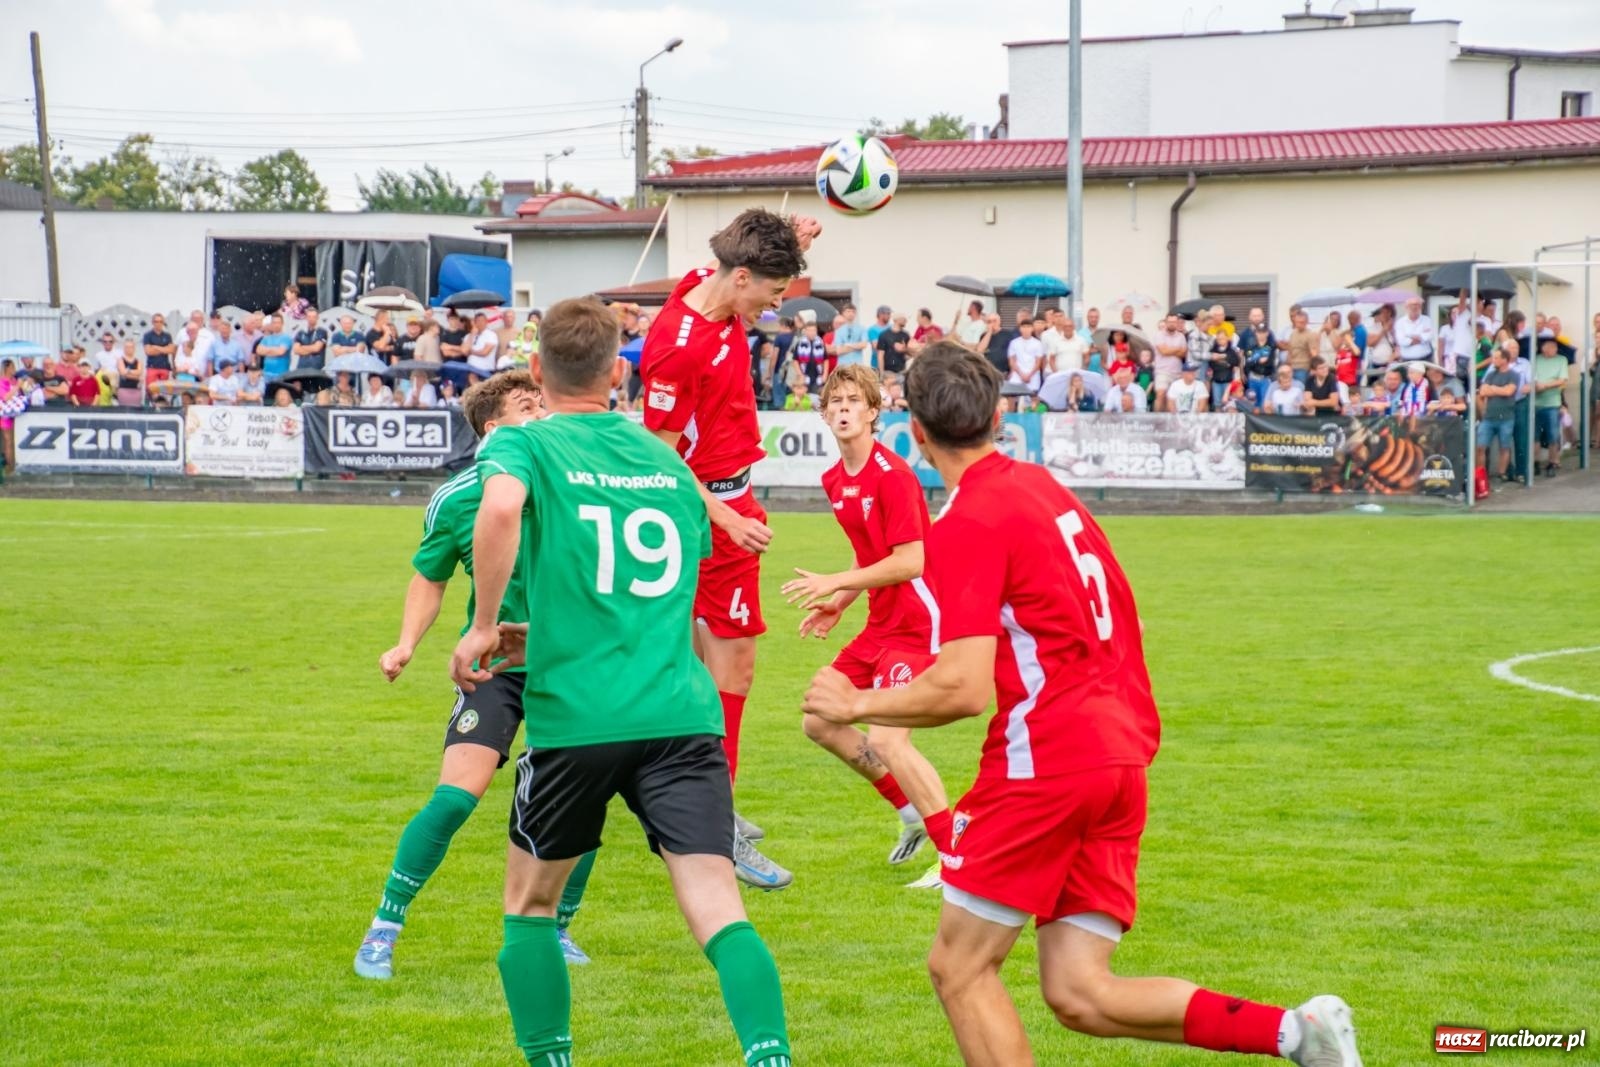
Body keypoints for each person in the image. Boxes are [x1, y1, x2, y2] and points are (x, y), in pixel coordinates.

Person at [803, 342, 1360, 1067]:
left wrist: (856, 701)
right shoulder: (1044, 487)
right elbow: (1125, 613)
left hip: (1049, 762)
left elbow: (964, 685)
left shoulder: (967, 521)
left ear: (913, 433)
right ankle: (1299, 1033)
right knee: (1078, 990)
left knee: (959, 968)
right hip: (1118, 756)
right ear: (1001, 415)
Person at [449, 299, 792, 1067]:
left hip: (579, 716)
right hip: (680, 712)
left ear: (536, 371)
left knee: (529, 906)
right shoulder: (666, 460)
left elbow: (500, 505)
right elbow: (641, 594)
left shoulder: (531, 443)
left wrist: (484, 625)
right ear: (618, 373)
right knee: (718, 907)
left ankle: (553, 1059)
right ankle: (771, 1056)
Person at [354, 371, 599, 980]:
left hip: (572, 667)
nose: (542, 410)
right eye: (526, 405)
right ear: (494, 429)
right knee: (455, 797)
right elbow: (430, 575)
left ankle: (558, 928)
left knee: (584, 802)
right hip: (497, 670)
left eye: (543, 400)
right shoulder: (460, 497)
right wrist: (406, 643)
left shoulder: (576, 477)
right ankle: (384, 928)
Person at [639, 208, 817, 890]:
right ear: (740, 277)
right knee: (732, 667)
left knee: (686, 666)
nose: (777, 304)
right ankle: (717, 827)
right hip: (707, 507)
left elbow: (745, 263)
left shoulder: (707, 287)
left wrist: (792, 243)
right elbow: (659, 449)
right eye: (772, 291)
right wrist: (722, 513)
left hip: (720, 500)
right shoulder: (678, 346)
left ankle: (686, 801)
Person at [784, 365, 953, 882]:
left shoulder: (893, 476)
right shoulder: (834, 479)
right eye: (834, 401)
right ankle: (908, 809)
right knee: (819, 718)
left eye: (853, 401)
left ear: (873, 413)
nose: (841, 408)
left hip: (919, 622)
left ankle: (956, 858)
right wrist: (842, 602)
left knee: (888, 741)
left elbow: (910, 561)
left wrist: (835, 582)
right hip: (881, 624)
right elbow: (870, 556)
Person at [1477, 346, 1519, 481]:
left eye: (1496, 358)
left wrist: (1493, 388)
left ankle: (1502, 473)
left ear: (1505, 360)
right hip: (1489, 417)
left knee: (1504, 446)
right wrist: (1499, 389)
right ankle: (1481, 474)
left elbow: (1509, 392)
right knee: (1480, 446)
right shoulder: (1490, 374)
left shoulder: (1513, 374)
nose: (1493, 360)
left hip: (1506, 417)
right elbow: (1483, 392)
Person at [1533, 336, 1568, 476]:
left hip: (1552, 403)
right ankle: (1534, 463)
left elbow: (1562, 380)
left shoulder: (1562, 360)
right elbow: (1531, 377)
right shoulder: (1536, 359)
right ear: (1543, 348)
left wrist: (1546, 385)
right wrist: (1536, 385)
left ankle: (1552, 462)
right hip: (1535, 402)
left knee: (1553, 435)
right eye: (1551, 346)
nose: (1554, 349)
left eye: (1555, 347)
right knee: (1534, 436)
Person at [1007, 317, 1046, 392]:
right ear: (1020, 329)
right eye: (1024, 327)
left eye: (1028, 327)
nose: (1026, 329)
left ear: (1032, 328)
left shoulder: (1037, 343)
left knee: (1033, 398)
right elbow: (1012, 361)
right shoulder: (1014, 343)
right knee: (1012, 397)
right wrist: (1021, 374)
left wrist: (1029, 375)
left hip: (1033, 376)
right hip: (1017, 375)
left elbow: (1038, 363)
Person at [141, 313, 176, 386]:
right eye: (156, 321)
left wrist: (156, 347)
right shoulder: (147, 335)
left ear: (163, 323)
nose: (158, 323)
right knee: (151, 390)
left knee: (162, 392)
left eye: (160, 321)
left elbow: (171, 350)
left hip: (164, 368)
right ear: (152, 322)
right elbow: (148, 352)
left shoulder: (167, 335)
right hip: (152, 367)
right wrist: (164, 349)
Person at [258, 314, 295, 378]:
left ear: (282, 323)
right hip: (266, 374)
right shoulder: (266, 338)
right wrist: (274, 350)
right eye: (274, 323)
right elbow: (259, 351)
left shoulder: (286, 338)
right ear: (271, 324)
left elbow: (280, 352)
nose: (276, 325)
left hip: (281, 375)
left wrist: (266, 351)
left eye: (278, 323)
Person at [116, 339, 144, 407]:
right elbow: (122, 373)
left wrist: (128, 371)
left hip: (136, 390)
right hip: (124, 389)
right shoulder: (120, 360)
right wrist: (136, 376)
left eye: (131, 347)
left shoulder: (138, 361)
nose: (128, 349)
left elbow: (140, 372)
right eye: (127, 347)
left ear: (134, 348)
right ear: (124, 348)